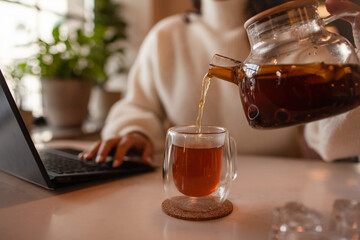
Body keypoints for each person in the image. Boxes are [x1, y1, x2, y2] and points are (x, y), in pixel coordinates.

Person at [79, 0, 360, 167]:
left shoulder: (299, 36)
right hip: (196, 188)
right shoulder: (166, 37)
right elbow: (138, 107)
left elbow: (336, 142)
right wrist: (135, 132)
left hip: (285, 200)